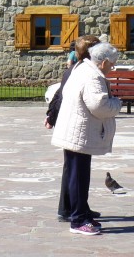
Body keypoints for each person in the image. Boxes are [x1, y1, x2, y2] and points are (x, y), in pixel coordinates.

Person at [51, 41, 122, 236]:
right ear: (103, 62)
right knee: (78, 177)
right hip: (79, 132)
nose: (113, 67)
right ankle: (78, 219)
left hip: (76, 130)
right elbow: (99, 107)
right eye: (112, 63)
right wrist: (117, 103)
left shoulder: (81, 69)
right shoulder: (93, 77)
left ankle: (82, 213)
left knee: (79, 175)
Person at [46, 34, 101, 223]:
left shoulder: (77, 68)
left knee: (73, 169)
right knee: (75, 170)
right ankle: (71, 211)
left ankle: (75, 207)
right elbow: (60, 95)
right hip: (74, 126)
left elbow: (58, 94)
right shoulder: (80, 71)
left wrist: (51, 115)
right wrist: (51, 115)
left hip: (70, 124)